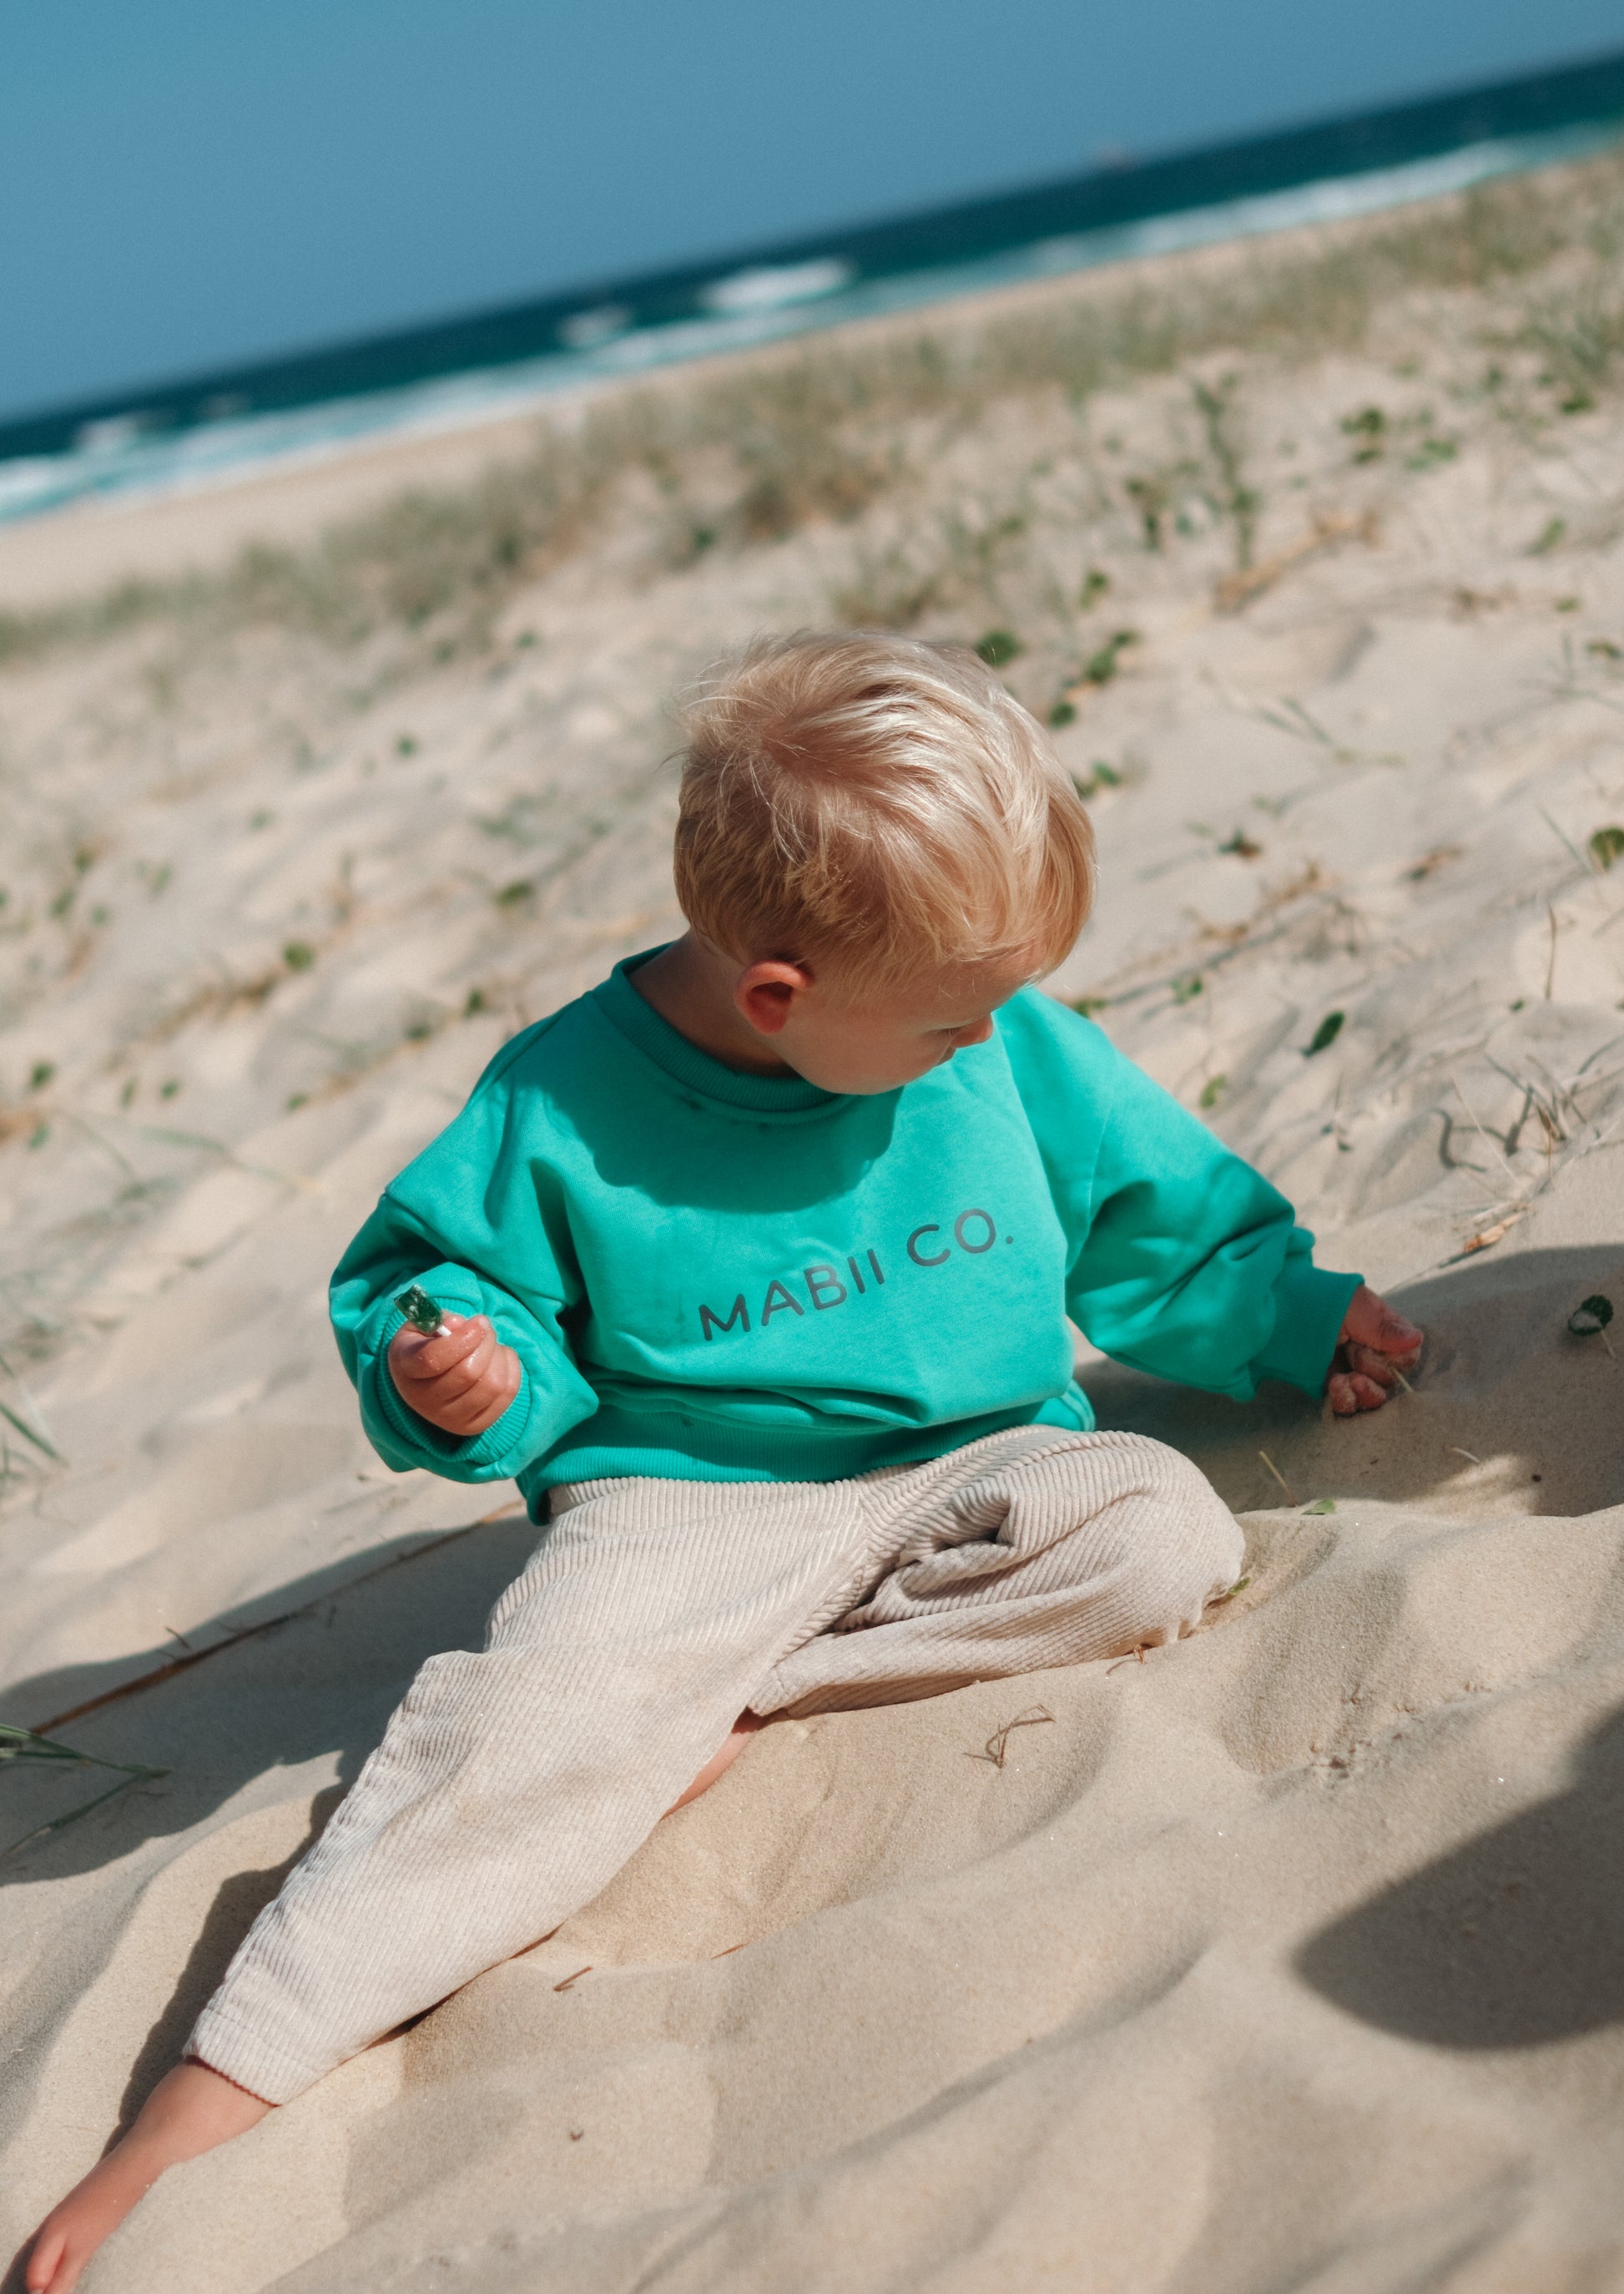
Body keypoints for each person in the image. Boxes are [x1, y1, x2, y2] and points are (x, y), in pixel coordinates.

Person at [27, 632, 1421, 2290]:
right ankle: (194, 2108)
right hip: (682, 1502)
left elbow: (1152, 1213)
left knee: (1158, 1530)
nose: (983, 1046)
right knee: (518, 1738)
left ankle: (739, 1698)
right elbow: (455, 1298)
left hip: (967, 1466)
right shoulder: (564, 1102)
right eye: (946, 1027)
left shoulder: (1001, 1042)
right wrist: (463, 1377)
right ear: (782, 997)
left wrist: (1289, 1313)